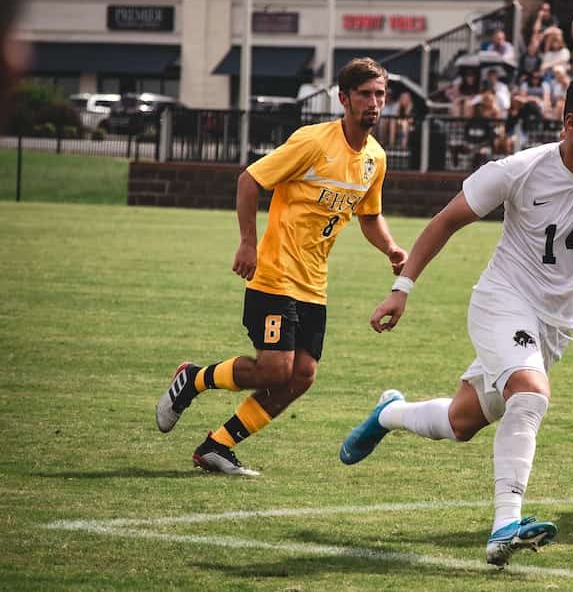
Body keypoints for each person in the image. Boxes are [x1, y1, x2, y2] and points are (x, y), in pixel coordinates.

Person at [338, 71, 573, 566]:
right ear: (570, 123)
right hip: (503, 301)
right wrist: (401, 289)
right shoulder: (518, 169)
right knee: (531, 394)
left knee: (462, 421)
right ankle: (505, 526)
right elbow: (446, 221)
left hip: (555, 327)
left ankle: (389, 412)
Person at [155, 58, 406, 476]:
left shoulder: (375, 159)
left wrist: (391, 248)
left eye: (380, 94)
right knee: (275, 368)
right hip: (275, 273)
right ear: (344, 99)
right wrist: (248, 243)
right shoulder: (312, 141)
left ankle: (218, 446)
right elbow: (250, 180)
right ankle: (193, 379)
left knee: (302, 375)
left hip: (314, 283)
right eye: (365, 94)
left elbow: (368, 215)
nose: (374, 103)